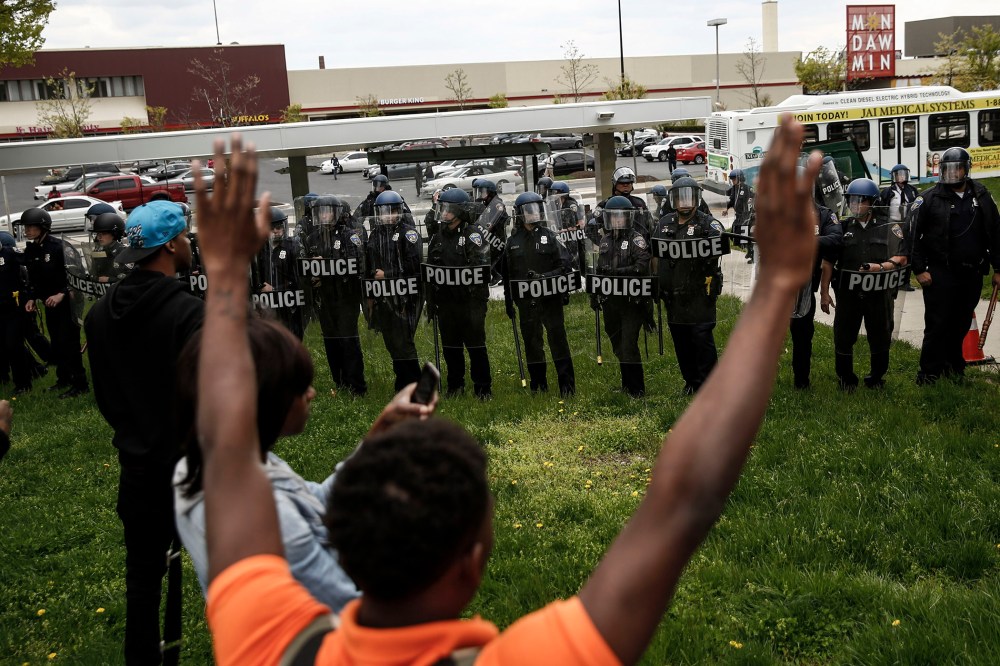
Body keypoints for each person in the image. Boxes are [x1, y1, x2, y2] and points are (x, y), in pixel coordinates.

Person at [194, 120, 825, 666]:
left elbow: (224, 452)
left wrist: (225, 274)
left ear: (341, 543)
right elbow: (686, 498)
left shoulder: (267, 640)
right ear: (475, 561)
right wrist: (777, 285)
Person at [172, 318, 433, 610]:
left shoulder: (208, 465)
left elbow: (316, 503)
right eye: (300, 386)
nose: (312, 393)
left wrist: (379, 437)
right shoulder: (268, 519)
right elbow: (347, 610)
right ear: (267, 398)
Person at [84, 199, 204, 665]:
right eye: (186, 238)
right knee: (235, 575)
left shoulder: (98, 315)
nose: (190, 244)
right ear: (171, 246)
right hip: (194, 470)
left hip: (136, 468)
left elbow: (108, 398)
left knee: (142, 581)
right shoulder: (189, 314)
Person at [910, 147, 1000, 384]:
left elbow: (995, 233)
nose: (953, 173)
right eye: (948, 169)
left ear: (966, 169)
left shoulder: (981, 195)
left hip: (971, 273)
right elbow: (912, 236)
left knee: (960, 324)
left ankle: (953, 368)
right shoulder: (928, 199)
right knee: (937, 325)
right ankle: (928, 373)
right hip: (940, 273)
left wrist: (998, 269)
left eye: (958, 168)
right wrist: (919, 269)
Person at [820, 178, 908, 391]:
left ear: (873, 203)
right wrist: (824, 293)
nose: (856, 205)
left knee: (880, 335)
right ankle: (846, 380)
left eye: (861, 201)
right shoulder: (841, 228)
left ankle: (876, 378)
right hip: (848, 293)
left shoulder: (889, 227)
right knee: (843, 336)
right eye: (852, 200)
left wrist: (881, 267)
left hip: (879, 294)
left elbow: (902, 257)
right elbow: (828, 262)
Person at [651, 178, 726, 395]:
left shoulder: (707, 224)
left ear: (696, 198)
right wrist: (656, 282)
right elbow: (655, 254)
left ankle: (711, 385)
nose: (684, 202)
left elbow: (718, 245)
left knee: (701, 338)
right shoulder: (664, 222)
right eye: (679, 197)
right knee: (681, 339)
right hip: (673, 296)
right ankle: (691, 382)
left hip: (700, 293)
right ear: (673, 200)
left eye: (688, 196)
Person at [503, 192, 576, 396]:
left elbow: (565, 266)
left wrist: (544, 278)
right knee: (532, 344)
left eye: (536, 209)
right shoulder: (512, 241)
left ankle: (567, 386)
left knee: (558, 341)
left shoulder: (550, 236)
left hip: (550, 299)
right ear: (519, 214)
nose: (533, 214)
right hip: (526, 303)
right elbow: (508, 276)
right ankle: (538, 386)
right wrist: (509, 302)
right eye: (528, 210)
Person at [426, 188, 493, 398]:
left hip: (470, 303)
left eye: (448, 209)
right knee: (450, 348)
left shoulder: (473, 235)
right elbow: (430, 271)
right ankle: (455, 386)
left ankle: (482, 388)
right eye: (442, 208)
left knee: (475, 347)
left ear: (459, 211)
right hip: (446, 304)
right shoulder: (437, 237)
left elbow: (481, 271)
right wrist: (432, 300)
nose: (443, 213)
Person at [15, 208, 89, 398]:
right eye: (26, 227)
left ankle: (80, 384)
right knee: (57, 343)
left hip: (67, 304)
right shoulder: (31, 250)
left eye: (32, 226)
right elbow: (33, 279)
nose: (28, 230)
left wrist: (62, 294)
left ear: (43, 227)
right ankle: (63, 379)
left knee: (70, 343)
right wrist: (31, 297)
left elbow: (77, 274)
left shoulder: (59, 247)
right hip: (49, 306)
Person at [302, 196, 368, 395]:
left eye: (328, 211)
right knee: (330, 341)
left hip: (345, 298)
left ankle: (357, 387)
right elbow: (305, 267)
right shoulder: (311, 238)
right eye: (321, 211)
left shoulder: (349, 235)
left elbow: (357, 265)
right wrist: (313, 278)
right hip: (324, 298)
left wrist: (326, 267)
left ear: (337, 213)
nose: (324, 215)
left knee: (348, 340)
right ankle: (340, 384)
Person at [788, 172, 843, 389]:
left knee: (803, 337)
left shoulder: (824, 215)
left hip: (805, 289)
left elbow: (836, 238)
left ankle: (801, 381)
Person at [592, 196, 651, 397]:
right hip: (611, 302)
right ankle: (626, 384)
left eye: (621, 216)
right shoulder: (605, 241)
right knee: (617, 344)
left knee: (629, 344)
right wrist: (595, 292)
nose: (617, 220)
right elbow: (600, 269)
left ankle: (637, 389)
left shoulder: (636, 239)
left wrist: (618, 273)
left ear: (628, 217)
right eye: (613, 217)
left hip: (632, 302)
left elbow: (642, 266)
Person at [366, 190, 422, 391]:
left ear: (399, 211)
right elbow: (370, 265)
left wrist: (387, 274)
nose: (389, 215)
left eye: (393, 211)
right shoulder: (375, 235)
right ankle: (402, 382)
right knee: (391, 343)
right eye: (384, 211)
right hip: (383, 298)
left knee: (404, 343)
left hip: (405, 298)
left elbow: (414, 267)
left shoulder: (409, 233)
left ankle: (415, 384)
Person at [252, 207, 306, 339]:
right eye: (271, 228)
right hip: (267, 306)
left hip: (289, 306)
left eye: (278, 227)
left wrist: (276, 289)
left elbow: (301, 280)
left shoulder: (293, 247)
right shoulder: (259, 249)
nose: (275, 231)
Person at [878, 165, 919, 292]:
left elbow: (916, 206)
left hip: (908, 224)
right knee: (895, 251)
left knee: (908, 251)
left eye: (904, 174)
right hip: (893, 224)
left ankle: (905, 281)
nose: (901, 177)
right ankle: (893, 280)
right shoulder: (887, 192)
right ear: (893, 176)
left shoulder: (912, 190)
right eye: (898, 174)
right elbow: (881, 209)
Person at [587, 166, 652, 245]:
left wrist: (648, 246)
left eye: (628, 182)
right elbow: (590, 228)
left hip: (638, 247)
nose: (625, 185)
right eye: (622, 183)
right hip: (615, 249)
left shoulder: (639, 203)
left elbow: (650, 226)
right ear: (615, 184)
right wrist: (604, 244)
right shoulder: (606, 205)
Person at [0, 232, 31, 395]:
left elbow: (31, 262)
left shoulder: (9, 253)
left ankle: (23, 384)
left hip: (14, 308)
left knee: (14, 346)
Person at [471, 178, 510, 284]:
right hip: (489, 235)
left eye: (484, 192)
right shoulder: (488, 203)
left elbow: (502, 217)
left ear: (490, 192)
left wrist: (491, 225)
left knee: (489, 257)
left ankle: (497, 276)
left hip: (496, 237)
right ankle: (499, 276)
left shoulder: (497, 203)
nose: (482, 194)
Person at [85, 204, 130, 284]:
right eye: (98, 233)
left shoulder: (123, 252)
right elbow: (94, 273)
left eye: (94, 219)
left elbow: (131, 278)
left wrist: (110, 280)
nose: (92, 223)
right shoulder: (98, 250)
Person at [548, 180, 586, 271]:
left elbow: (579, 224)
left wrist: (562, 231)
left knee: (575, 262)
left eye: (555, 192)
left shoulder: (570, 205)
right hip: (564, 238)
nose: (553, 194)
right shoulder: (559, 204)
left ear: (562, 193)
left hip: (573, 239)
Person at [723, 168, 756, 261]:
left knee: (744, 236)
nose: (732, 181)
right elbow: (732, 200)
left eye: (734, 179)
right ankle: (748, 250)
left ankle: (751, 253)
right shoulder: (734, 189)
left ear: (740, 178)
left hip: (747, 217)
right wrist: (727, 209)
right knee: (734, 235)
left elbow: (755, 200)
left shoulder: (748, 189)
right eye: (731, 179)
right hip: (739, 217)